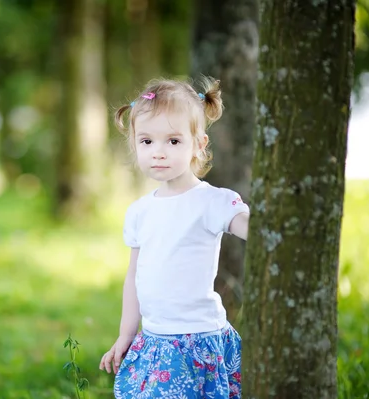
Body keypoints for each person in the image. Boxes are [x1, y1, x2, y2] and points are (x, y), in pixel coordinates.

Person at [99, 77, 249, 399]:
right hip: (156, 340)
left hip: (200, 338)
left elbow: (251, 228)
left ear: (199, 144)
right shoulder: (139, 212)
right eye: (147, 142)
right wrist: (126, 334)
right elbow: (133, 277)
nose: (159, 153)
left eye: (173, 141)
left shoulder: (213, 201)